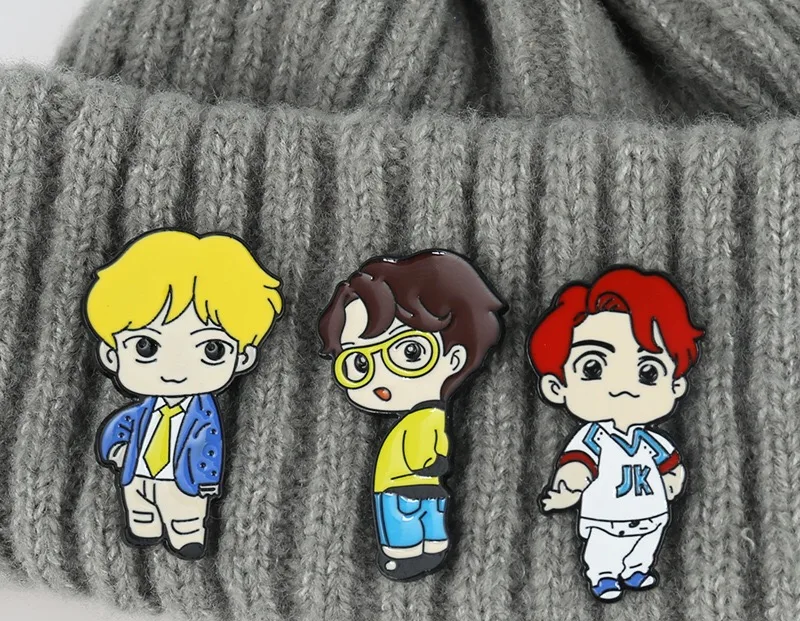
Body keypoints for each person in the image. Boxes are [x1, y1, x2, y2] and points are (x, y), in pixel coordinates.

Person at [84, 229, 283, 560]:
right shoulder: (143, 410)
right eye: (146, 346)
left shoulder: (204, 416)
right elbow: (125, 422)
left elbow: (210, 445)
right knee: (139, 506)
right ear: (111, 354)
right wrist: (115, 449)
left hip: (184, 480)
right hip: (137, 472)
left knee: (185, 513)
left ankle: (187, 535)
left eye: (212, 348)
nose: (175, 369)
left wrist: (206, 482)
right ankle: (144, 526)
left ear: (243, 357)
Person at [319, 250, 505, 580]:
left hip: (409, 487)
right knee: (413, 523)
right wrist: (433, 464)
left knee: (415, 524)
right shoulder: (425, 417)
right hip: (409, 487)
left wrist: (433, 464)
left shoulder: (427, 416)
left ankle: (416, 553)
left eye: (410, 352)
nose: (381, 379)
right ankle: (413, 552)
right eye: (359, 363)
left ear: (455, 358)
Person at [529, 266, 704, 601]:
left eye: (648, 371)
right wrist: (569, 485)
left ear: (676, 385)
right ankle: (603, 576)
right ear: (556, 386)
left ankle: (638, 569)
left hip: (651, 513)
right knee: (603, 550)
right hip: (606, 516)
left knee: (646, 544)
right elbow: (578, 462)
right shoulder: (594, 437)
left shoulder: (651, 439)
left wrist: (674, 477)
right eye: (593, 367)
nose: (623, 385)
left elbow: (668, 462)